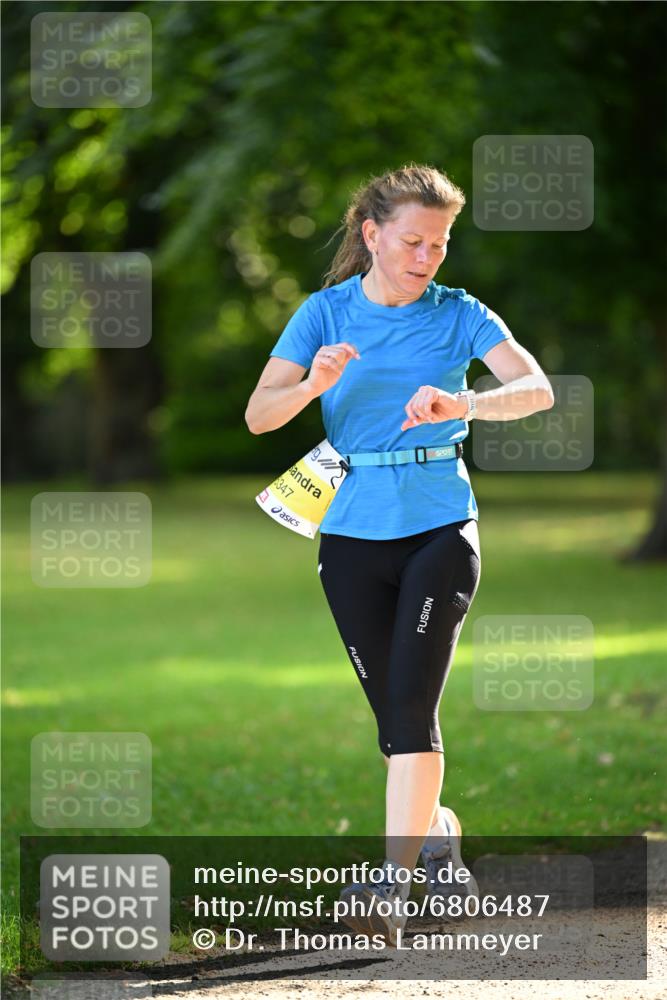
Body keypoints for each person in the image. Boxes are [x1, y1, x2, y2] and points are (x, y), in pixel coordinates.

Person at [245, 163, 554, 947]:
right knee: (393, 718)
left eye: (440, 243)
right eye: (413, 240)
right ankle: (439, 834)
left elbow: (537, 388)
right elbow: (258, 416)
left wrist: (469, 403)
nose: (426, 256)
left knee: (412, 712)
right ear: (372, 235)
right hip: (348, 532)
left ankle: (390, 883)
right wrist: (312, 386)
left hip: (438, 525)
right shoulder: (323, 314)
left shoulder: (459, 314)